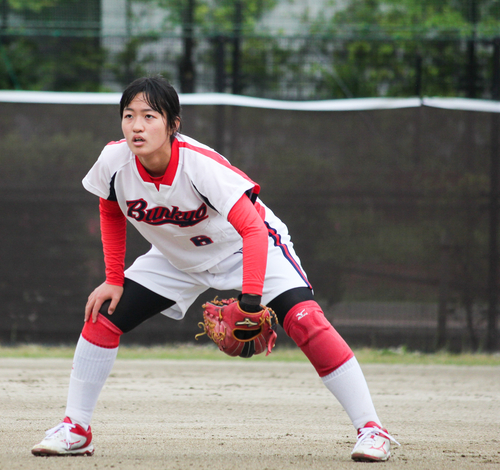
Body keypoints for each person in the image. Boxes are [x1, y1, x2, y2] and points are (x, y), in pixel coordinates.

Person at [30, 75, 399, 462]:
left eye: (150, 116)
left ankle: (372, 429)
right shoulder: (114, 161)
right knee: (103, 315)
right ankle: (76, 428)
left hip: (244, 248)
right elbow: (109, 210)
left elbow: (253, 230)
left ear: (173, 125)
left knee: (307, 322)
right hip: (176, 256)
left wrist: (251, 301)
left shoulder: (199, 165)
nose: (137, 126)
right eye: (129, 115)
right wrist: (113, 279)